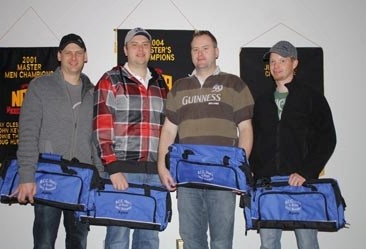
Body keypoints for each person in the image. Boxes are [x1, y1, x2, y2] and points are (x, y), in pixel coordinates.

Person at [158, 30, 254, 249]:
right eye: (195, 49)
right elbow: (168, 132)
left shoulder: (235, 85)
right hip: (187, 178)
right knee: (192, 240)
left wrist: (239, 171)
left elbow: (246, 130)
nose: (200, 54)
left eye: (205, 48)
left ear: (216, 52)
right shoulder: (179, 88)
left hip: (222, 178)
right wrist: (162, 168)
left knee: (221, 242)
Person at [14, 33, 101, 249]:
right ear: (59, 56)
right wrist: (26, 176)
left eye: (78, 53)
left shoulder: (95, 92)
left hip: (81, 179)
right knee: (44, 243)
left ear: (86, 56)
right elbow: (28, 133)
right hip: (48, 176)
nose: (74, 57)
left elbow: (97, 140)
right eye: (68, 52)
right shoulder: (40, 86)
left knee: (78, 242)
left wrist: (101, 177)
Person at [250, 40, 337, 249]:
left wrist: (306, 172)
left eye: (282, 60)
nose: (276, 65)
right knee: (268, 243)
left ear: (294, 63)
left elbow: (328, 138)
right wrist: (257, 175)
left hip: (301, 183)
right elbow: (254, 139)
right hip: (269, 185)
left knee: (307, 242)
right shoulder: (262, 101)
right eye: (272, 61)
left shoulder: (312, 97)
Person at [93, 27, 168, 249]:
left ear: (151, 50)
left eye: (145, 44)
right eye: (134, 44)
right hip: (122, 172)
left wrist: (166, 166)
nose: (140, 49)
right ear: (125, 49)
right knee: (118, 238)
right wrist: (113, 168)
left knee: (149, 240)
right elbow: (101, 127)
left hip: (155, 173)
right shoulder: (111, 80)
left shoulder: (160, 83)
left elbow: (168, 129)